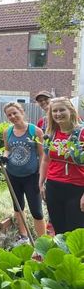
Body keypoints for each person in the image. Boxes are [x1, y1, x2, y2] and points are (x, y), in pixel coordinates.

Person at [0, 102, 46, 244]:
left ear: (22, 112)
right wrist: (4, 156)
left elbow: (43, 155)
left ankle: (43, 242)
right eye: (9, 115)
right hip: (13, 175)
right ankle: (24, 237)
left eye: (15, 113)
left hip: (31, 176)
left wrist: (41, 177)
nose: (12, 116)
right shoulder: (8, 132)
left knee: (37, 211)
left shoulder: (35, 131)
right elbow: (7, 149)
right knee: (18, 207)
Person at [39, 97, 84, 234]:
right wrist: (41, 184)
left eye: (62, 110)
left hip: (77, 188)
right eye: (55, 111)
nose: (58, 114)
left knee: (76, 231)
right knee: (59, 230)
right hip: (54, 187)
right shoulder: (51, 134)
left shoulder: (81, 133)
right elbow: (45, 160)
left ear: (70, 111)